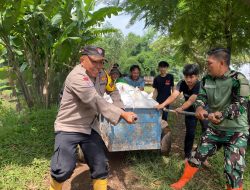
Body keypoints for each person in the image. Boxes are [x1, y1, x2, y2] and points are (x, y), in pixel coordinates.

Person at [49, 46, 137, 190]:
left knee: (100, 165)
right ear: (83, 60)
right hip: (69, 126)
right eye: (94, 61)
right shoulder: (77, 76)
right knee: (63, 169)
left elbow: (113, 90)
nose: (99, 66)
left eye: (101, 62)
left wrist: (119, 106)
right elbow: (95, 100)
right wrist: (122, 114)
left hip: (89, 126)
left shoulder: (103, 74)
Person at [170, 48, 250, 190]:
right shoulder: (207, 79)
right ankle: (182, 182)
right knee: (196, 156)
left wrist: (221, 114)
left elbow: (242, 105)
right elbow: (201, 98)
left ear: (221, 63)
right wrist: (199, 108)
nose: (207, 66)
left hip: (236, 132)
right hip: (215, 129)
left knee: (232, 170)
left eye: (209, 63)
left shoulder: (238, 79)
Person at [156, 64, 208, 160]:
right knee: (190, 133)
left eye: (191, 77)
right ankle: (187, 155)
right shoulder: (182, 83)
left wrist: (181, 108)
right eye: (186, 77)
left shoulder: (199, 85)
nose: (188, 80)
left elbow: (192, 100)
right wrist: (162, 105)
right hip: (190, 111)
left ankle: (202, 154)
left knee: (206, 131)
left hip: (203, 109)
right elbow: (174, 95)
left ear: (197, 76)